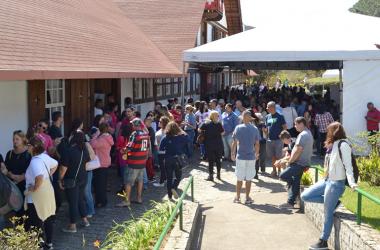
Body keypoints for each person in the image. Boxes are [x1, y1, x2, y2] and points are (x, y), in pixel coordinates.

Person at [301, 122, 358, 250]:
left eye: (329, 131)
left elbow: (348, 167)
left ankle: (323, 241)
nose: (327, 133)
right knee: (305, 196)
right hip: (327, 180)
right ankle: (334, 203)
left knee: (328, 212)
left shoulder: (344, 145)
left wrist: (352, 182)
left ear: (335, 131)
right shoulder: (334, 144)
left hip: (336, 184)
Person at [24, 136, 58, 250]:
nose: (27, 147)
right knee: (47, 218)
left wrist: (34, 188)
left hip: (37, 195)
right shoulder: (44, 156)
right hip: (47, 190)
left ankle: (39, 246)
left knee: (36, 221)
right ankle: (49, 243)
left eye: (29, 145)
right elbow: (56, 164)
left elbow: (39, 177)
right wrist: (47, 175)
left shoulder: (35, 161)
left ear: (33, 147)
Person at [59, 131, 91, 233]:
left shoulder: (69, 151)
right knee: (80, 199)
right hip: (83, 178)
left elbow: (63, 168)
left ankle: (73, 226)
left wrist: (60, 179)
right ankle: (85, 220)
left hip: (72, 180)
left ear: (73, 138)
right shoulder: (84, 150)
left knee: (72, 203)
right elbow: (88, 161)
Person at [278, 117, 313, 209]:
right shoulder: (307, 133)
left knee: (283, 175)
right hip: (302, 163)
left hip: (299, 163)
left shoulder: (303, 135)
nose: (294, 126)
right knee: (295, 181)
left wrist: (290, 161)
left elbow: (298, 150)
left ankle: (292, 195)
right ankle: (290, 202)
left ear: (301, 123)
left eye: (296, 124)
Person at [117, 118, 150, 207]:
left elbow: (129, 147)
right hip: (142, 162)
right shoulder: (146, 134)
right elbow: (147, 148)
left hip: (133, 162)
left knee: (128, 182)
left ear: (135, 125)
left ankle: (127, 201)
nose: (131, 126)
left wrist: (122, 151)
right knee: (140, 180)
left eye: (132, 124)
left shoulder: (134, 134)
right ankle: (139, 198)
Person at [231, 110, 260, 204]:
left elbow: (234, 142)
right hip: (251, 157)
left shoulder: (238, 128)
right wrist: (256, 153)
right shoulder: (255, 128)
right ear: (250, 118)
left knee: (239, 178)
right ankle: (247, 198)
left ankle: (237, 197)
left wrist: (232, 153)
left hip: (240, 156)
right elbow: (257, 144)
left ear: (243, 118)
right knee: (249, 179)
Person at [2, 131, 32, 216]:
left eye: (17, 139)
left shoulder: (28, 154)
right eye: (13, 139)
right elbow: (6, 170)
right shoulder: (10, 153)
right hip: (12, 187)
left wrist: (19, 177)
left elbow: (29, 171)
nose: (15, 141)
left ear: (23, 139)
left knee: (24, 210)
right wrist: (10, 175)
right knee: (13, 209)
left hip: (24, 187)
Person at [160, 121, 189, 200]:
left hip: (168, 159)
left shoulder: (165, 138)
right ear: (177, 128)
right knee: (178, 177)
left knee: (169, 178)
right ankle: (174, 187)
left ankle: (169, 196)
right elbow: (187, 137)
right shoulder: (181, 137)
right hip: (177, 159)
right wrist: (181, 130)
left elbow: (161, 149)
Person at [90, 123, 114, 208]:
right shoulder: (109, 137)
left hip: (100, 163)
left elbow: (92, 144)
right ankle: (103, 201)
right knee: (102, 183)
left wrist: (95, 136)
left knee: (99, 184)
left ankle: (101, 202)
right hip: (105, 162)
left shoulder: (102, 139)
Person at [264, 101, 287, 177]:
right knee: (273, 156)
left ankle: (279, 171)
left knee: (279, 156)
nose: (267, 108)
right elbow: (267, 127)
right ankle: (274, 171)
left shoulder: (280, 116)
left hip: (278, 140)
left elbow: (285, 127)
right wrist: (266, 134)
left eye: (268, 107)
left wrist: (282, 137)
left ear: (273, 107)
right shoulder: (267, 117)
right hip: (270, 139)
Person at [200, 111, 224, 181]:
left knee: (211, 161)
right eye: (217, 116)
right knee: (218, 160)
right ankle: (218, 175)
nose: (218, 117)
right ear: (214, 116)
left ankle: (211, 176)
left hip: (209, 144)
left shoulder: (206, 123)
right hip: (218, 144)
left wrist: (205, 133)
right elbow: (223, 133)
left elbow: (199, 129)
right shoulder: (219, 124)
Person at [153, 116, 170, 188]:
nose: (158, 122)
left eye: (160, 122)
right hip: (164, 152)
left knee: (163, 168)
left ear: (164, 123)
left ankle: (161, 182)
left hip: (163, 152)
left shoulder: (163, 132)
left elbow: (157, 144)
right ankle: (165, 179)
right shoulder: (165, 131)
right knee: (165, 167)